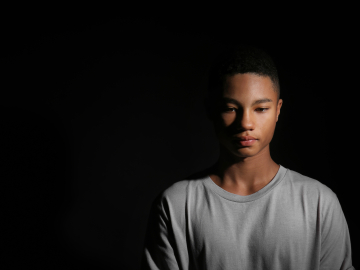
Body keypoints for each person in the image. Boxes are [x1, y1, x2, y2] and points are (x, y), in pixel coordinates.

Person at [141, 46, 355, 269]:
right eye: (231, 108)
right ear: (210, 109)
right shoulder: (176, 204)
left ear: (278, 110)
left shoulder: (319, 203)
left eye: (261, 108)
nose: (245, 123)